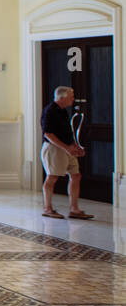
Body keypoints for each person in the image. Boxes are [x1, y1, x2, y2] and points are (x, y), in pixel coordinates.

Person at [41, 86, 92, 220]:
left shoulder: (63, 111)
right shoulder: (50, 111)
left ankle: (74, 209)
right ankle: (47, 208)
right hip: (54, 149)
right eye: (71, 96)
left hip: (66, 148)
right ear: (62, 97)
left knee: (76, 175)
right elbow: (48, 134)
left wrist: (74, 146)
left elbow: (67, 132)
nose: (73, 99)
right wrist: (66, 148)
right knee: (52, 177)